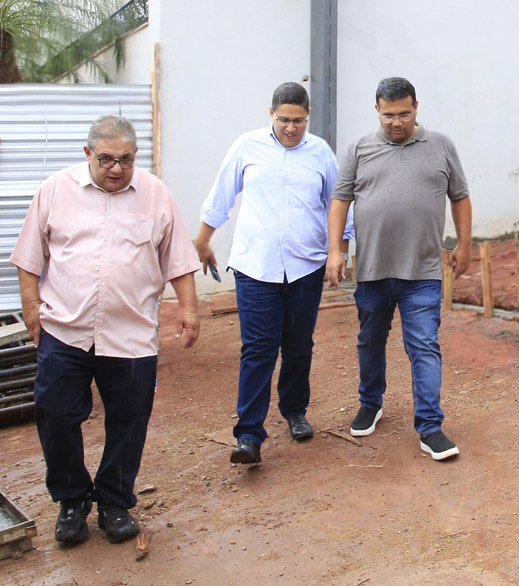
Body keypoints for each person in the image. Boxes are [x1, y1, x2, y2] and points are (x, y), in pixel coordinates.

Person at [10, 114, 200, 547]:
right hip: (65, 328)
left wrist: (188, 308)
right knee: (55, 413)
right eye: (107, 159)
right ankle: (72, 500)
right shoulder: (55, 190)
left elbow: (179, 258)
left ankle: (115, 501)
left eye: (126, 160)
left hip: (130, 333)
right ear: (88, 154)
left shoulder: (155, 195)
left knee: (129, 420)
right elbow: (28, 256)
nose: (117, 169)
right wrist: (30, 308)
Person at [195, 82, 352, 465]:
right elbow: (222, 195)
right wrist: (202, 241)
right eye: (283, 119)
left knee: (299, 346)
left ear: (307, 116)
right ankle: (249, 434)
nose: (290, 128)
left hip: (305, 266)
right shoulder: (247, 146)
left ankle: (295, 411)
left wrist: (339, 251)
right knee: (258, 349)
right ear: (271, 114)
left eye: (298, 120)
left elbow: (338, 202)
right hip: (255, 267)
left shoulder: (320, 153)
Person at [326, 77, 471, 461]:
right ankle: (370, 402)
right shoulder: (359, 149)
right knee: (370, 341)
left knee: (424, 345)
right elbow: (340, 200)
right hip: (372, 269)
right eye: (389, 114)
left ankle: (430, 426)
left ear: (416, 107)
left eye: (404, 113)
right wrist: (335, 252)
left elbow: (460, 196)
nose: (397, 122)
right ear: (377, 110)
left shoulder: (441, 146)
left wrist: (465, 243)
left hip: (422, 271)